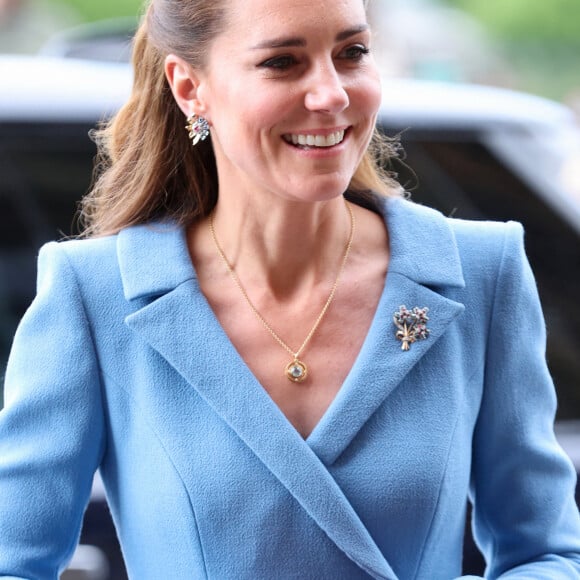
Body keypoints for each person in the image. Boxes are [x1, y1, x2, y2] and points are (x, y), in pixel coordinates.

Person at [0, 0, 579, 578]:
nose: (331, 94)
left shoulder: (480, 271)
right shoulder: (96, 294)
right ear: (189, 87)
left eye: (352, 53)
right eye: (282, 62)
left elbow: (549, 554)